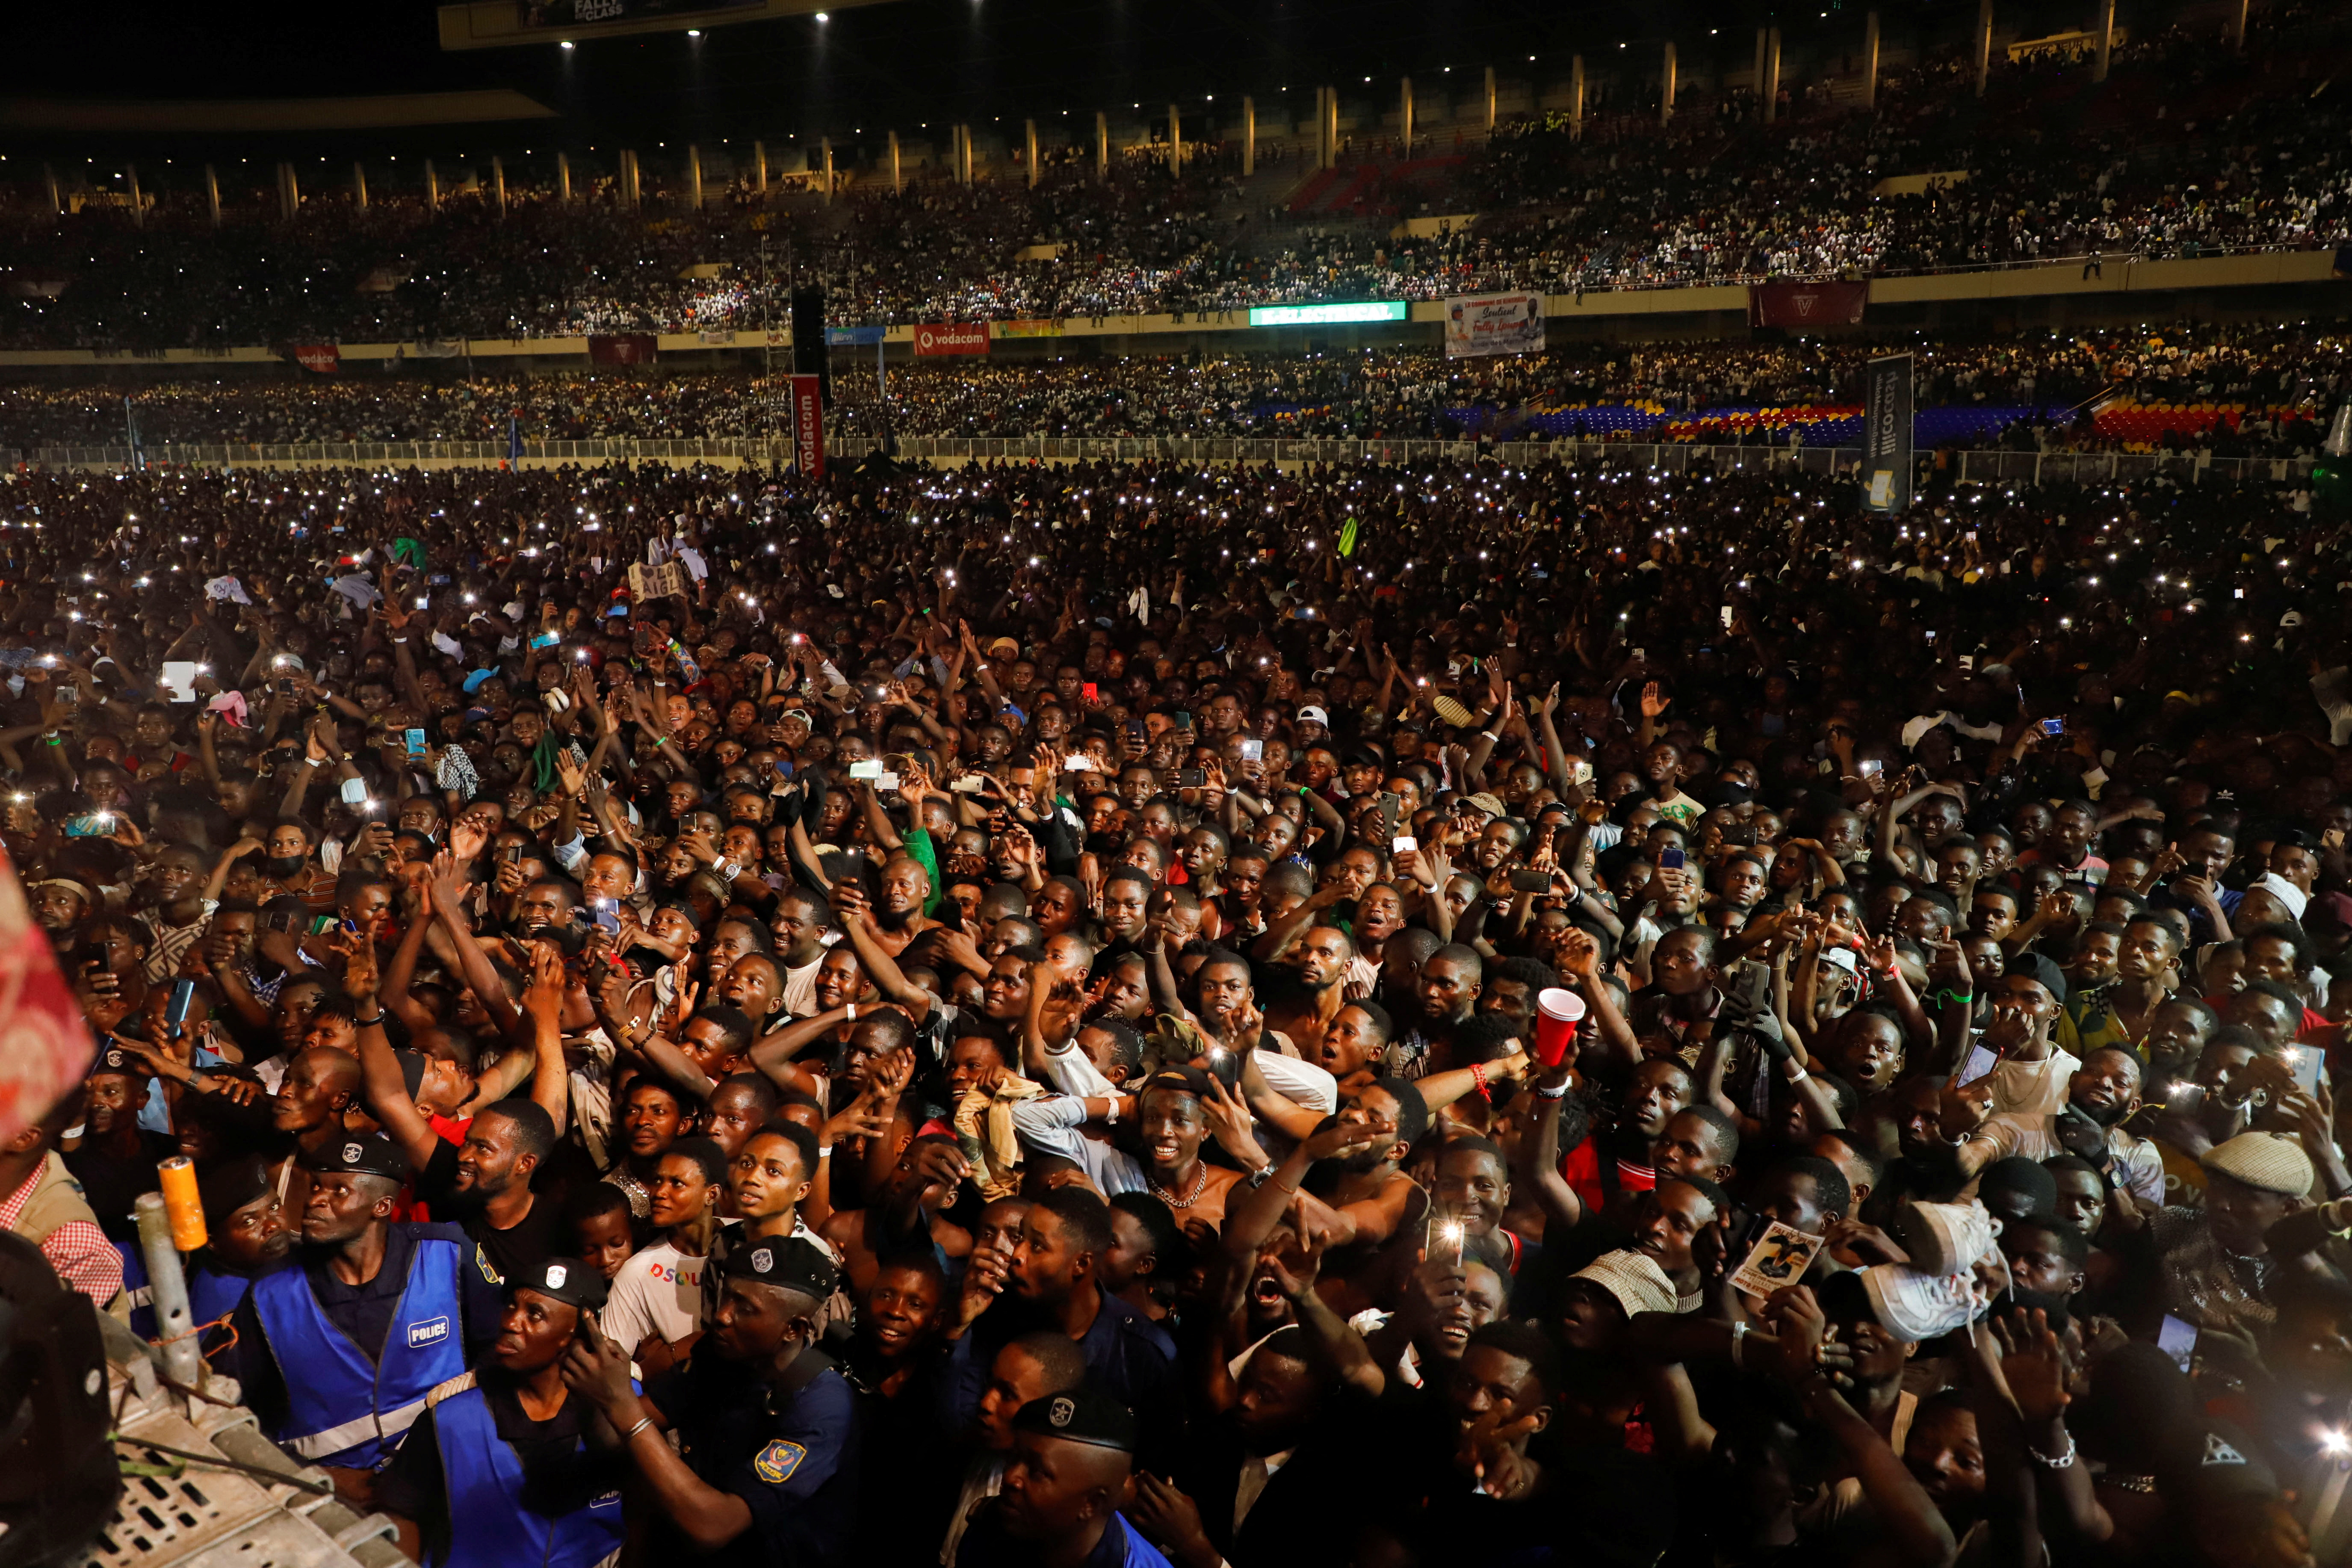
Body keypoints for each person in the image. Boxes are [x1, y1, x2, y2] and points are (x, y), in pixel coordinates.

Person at [563, 1234, 860, 1568]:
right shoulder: (719, 1359)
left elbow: (713, 1526)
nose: (722, 1315)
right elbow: (613, 1442)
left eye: (745, 1308)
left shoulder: (821, 1404)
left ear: (794, 1328)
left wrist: (624, 1407)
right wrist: (594, 1389)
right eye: (726, 1296)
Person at [230, 1133, 504, 1494]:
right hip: (329, 1496)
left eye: (339, 1191)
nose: (315, 1201)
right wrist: (316, 1478)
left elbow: (499, 1354)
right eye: (315, 1187)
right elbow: (237, 1410)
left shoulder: (447, 1254)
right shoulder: (269, 1293)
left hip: (448, 1474)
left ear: (382, 1206)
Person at [374, 1256, 629, 1568]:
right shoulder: (449, 1420)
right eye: (511, 1306)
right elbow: (402, 1513)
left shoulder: (625, 1409)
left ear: (575, 1332)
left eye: (534, 1315)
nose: (510, 1322)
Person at [950, 1388, 1173, 1568]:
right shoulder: (990, 1530)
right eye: (1014, 1458)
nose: (1011, 1478)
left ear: (1091, 1503)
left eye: (1037, 1472)